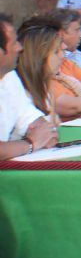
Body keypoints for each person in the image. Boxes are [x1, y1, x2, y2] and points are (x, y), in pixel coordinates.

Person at [18, 15, 81, 119]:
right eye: (57, 50)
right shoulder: (40, 82)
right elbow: (72, 106)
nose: (63, 52)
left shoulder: (63, 64)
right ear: (39, 55)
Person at [0, 13, 58, 160]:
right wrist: (31, 143)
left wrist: (45, 130)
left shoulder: (9, 77)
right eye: (14, 43)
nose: (20, 48)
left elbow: (27, 115)